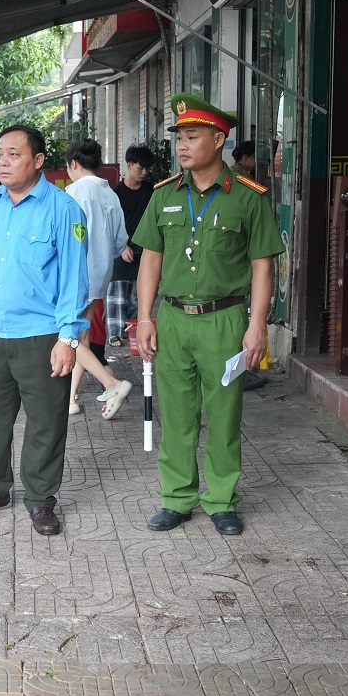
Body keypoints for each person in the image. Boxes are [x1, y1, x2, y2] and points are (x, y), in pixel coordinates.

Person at [133, 94, 285, 537]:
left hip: (225, 320)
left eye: (192, 136)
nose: (182, 145)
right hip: (175, 319)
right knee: (176, 414)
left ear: (219, 140)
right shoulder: (164, 196)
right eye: (179, 137)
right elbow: (150, 260)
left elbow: (263, 265)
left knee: (223, 414)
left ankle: (221, 500)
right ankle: (177, 498)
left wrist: (257, 325)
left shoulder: (248, 197)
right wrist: (146, 317)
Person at [0, 125, 89, 536]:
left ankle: (41, 500)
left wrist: (68, 338)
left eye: (14, 154)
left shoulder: (64, 210)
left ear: (39, 160)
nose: (3, 162)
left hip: (41, 336)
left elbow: (75, 280)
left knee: (45, 422)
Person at [63, 139, 131, 419]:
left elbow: (65, 239)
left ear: (74, 164)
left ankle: (112, 383)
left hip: (75, 276)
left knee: (71, 337)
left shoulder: (74, 192)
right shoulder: (110, 194)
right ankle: (70, 400)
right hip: (101, 275)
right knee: (82, 337)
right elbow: (119, 242)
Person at [107, 145, 156, 346]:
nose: (144, 173)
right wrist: (122, 246)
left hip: (145, 250)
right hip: (122, 249)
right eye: (140, 168)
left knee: (141, 293)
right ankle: (115, 332)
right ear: (129, 165)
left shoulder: (152, 192)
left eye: (147, 169)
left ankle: (133, 327)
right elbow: (110, 225)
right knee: (118, 293)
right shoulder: (115, 194)